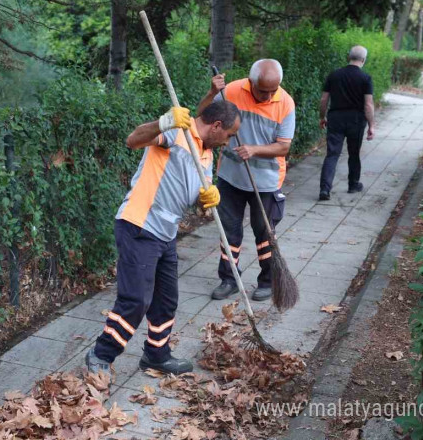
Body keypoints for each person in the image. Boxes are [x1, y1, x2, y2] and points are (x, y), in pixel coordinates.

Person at [86, 101, 242, 376]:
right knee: (135, 300)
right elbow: (133, 140)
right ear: (217, 126)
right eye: (229, 135)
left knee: (166, 300)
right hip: (140, 225)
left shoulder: (205, 153)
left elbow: (195, 195)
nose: (228, 142)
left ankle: (156, 355)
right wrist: (163, 123)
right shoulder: (177, 131)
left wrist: (208, 199)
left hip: (166, 233)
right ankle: (101, 353)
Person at [196, 59, 295, 302]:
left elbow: (283, 147)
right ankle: (229, 279)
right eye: (263, 90)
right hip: (231, 177)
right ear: (251, 82)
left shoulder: (285, 103)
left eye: (274, 90)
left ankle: (268, 281)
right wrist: (212, 93)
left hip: (267, 182)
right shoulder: (231, 91)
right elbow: (202, 118)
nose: (269, 95)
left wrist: (254, 149)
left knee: (264, 232)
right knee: (228, 230)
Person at [318, 45, 376, 201]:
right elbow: (368, 105)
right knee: (354, 153)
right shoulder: (365, 78)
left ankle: (325, 189)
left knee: (332, 154)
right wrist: (371, 125)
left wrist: (322, 117)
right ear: (363, 60)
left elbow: (324, 99)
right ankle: (353, 184)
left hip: (336, 118)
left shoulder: (334, 75)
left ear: (348, 57)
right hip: (356, 120)